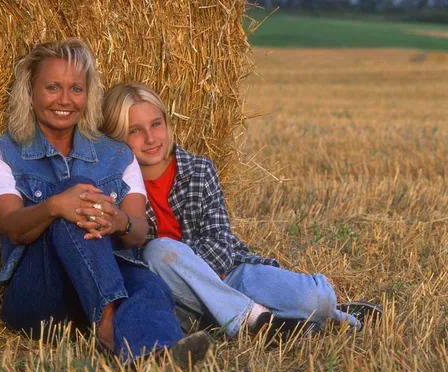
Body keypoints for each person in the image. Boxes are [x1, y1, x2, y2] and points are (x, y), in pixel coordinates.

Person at [0, 40, 212, 365]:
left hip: (113, 272)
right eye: (52, 87)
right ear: (29, 92)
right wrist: (54, 206)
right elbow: (13, 228)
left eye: (76, 88)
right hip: (42, 298)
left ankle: (158, 357)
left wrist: (120, 222)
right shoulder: (2, 154)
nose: (65, 100)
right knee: (76, 190)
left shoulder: (117, 155)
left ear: (89, 95)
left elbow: (138, 232)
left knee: (148, 285)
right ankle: (109, 325)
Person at [101, 82, 382, 341]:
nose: (150, 138)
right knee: (158, 251)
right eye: (135, 130)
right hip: (174, 294)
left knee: (316, 300)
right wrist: (182, 271)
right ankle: (262, 318)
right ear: (115, 137)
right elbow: (132, 261)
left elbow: (221, 244)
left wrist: (200, 278)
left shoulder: (199, 169)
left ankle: (326, 313)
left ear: (167, 123)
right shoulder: (114, 186)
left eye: (156, 124)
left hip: (231, 274)